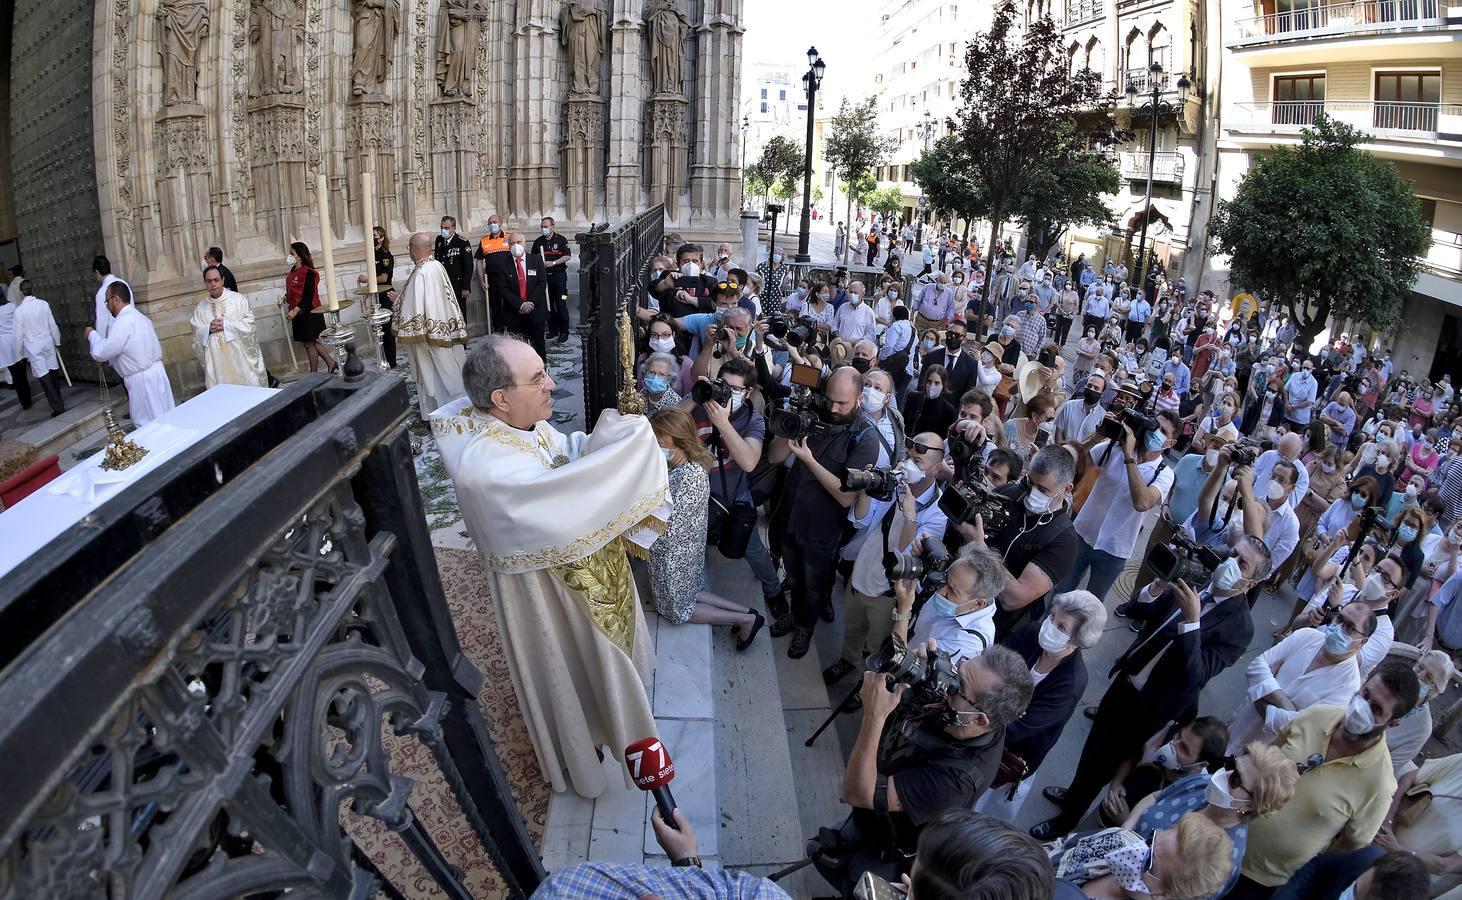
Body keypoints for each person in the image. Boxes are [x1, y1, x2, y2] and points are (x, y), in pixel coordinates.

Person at [429, 336, 666, 799]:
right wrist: (625, 458)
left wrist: (613, 435)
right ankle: (582, 753)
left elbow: (567, 453)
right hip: (549, 597)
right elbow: (562, 498)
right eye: (537, 378)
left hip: (582, 579)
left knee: (604, 669)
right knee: (569, 672)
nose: (552, 385)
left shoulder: (524, 424)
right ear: (500, 399)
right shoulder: (485, 468)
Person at [1033, 537, 1272, 839]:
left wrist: (1192, 621)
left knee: (1109, 764)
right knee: (1093, 748)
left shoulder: (1240, 628)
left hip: (1153, 707)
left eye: (1242, 564)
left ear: (1249, 584)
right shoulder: (1195, 579)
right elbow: (1138, 610)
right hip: (1127, 682)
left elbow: (1194, 675)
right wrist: (1157, 586)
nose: (1230, 564)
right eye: (1233, 554)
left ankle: (1065, 824)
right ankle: (1074, 793)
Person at [824, 647, 1034, 894]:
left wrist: (873, 715)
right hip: (870, 812)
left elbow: (858, 793)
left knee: (854, 882)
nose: (947, 684)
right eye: (957, 668)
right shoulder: (962, 713)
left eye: (958, 687)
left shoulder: (957, 780)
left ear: (979, 719)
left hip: (887, 838)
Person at [1232, 661, 1420, 898]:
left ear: (1392, 723)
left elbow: (1350, 845)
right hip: (1228, 831)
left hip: (1261, 882)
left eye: (1376, 709)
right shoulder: (1319, 715)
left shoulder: (1379, 785)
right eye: (1365, 694)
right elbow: (1265, 757)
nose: (1363, 707)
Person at [767, 367, 881, 657]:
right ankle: (796, 614)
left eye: (841, 402)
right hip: (791, 514)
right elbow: (775, 456)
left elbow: (845, 498)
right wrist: (789, 424)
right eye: (829, 399)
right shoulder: (815, 411)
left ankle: (805, 626)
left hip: (823, 528)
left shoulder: (866, 438)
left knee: (814, 585)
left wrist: (809, 459)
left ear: (858, 399)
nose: (832, 407)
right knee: (793, 577)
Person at [823, 432, 952, 686]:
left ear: (936, 468)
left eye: (919, 462)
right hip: (861, 572)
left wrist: (911, 514)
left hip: (887, 590)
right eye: (909, 457)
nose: (909, 465)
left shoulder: (939, 511)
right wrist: (868, 489)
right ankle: (847, 660)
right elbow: (860, 519)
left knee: (876, 643)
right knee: (852, 627)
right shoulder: (892, 483)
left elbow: (906, 551)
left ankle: (866, 684)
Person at [978, 591, 1105, 819]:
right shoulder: (1032, 632)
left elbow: (1020, 728)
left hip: (1012, 753)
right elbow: (991, 665)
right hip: (985, 726)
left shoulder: (1070, 683)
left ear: (1077, 643)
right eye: (1052, 617)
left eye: (1062, 627)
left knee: (987, 811)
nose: (1050, 626)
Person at [647, 408, 764, 648]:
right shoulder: (686, 463)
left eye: (659, 442)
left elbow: (669, 529)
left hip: (674, 556)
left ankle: (744, 620)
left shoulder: (688, 476)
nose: (655, 446)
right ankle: (749, 613)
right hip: (686, 551)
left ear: (678, 441)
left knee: (677, 610)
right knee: (691, 592)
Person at [1125, 743, 1301, 900]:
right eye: (1231, 765)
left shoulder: (1222, 860)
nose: (1225, 775)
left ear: (1250, 806)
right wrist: (1124, 831)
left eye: (1237, 779)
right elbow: (1157, 797)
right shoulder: (1204, 784)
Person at [1055, 411, 1179, 603]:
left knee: (1089, 604)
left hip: (1114, 549)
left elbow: (1142, 502)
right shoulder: (1114, 448)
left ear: (1170, 444)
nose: (1156, 432)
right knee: (1060, 590)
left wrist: (1129, 456)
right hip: (1082, 532)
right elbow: (1074, 462)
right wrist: (1096, 437)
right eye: (1156, 426)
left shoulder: (1164, 473)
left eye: (1163, 431)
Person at [964, 444, 1080, 639]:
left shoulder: (1063, 540)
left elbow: (1014, 598)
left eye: (1043, 490)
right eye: (1029, 482)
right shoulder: (1011, 493)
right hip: (961, 592)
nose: (1032, 493)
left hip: (993, 626)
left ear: (1066, 489)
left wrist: (980, 549)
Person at [1227, 602, 1374, 754]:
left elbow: (1297, 727)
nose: (1340, 628)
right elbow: (1257, 666)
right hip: (1238, 725)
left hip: (1263, 754)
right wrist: (1284, 703)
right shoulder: (1307, 636)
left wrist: (1259, 693)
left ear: (1363, 642)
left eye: (1350, 628)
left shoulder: (1348, 687)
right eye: (1339, 619)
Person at [1049, 811, 1234, 900]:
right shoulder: (1122, 839)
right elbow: (1062, 845)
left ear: (1163, 894)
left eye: (1149, 862)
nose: (1136, 850)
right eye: (1151, 840)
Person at [394, 232, 468, 419]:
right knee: (451, 369)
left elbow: (416, 308)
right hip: (444, 330)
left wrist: (398, 305)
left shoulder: (422, 273)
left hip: (427, 336)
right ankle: (458, 407)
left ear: (413, 249)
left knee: (432, 373)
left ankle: (439, 413)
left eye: (409, 248)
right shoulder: (437, 266)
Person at [85, 281, 176, 426]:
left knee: (150, 425)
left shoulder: (123, 322)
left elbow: (102, 351)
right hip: (155, 375)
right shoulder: (140, 317)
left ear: (116, 299)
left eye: (107, 301)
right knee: (165, 416)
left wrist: (92, 335)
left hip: (143, 381)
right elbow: (125, 349)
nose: (107, 306)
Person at [190, 266, 268, 388]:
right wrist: (208, 329)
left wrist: (227, 325)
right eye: (209, 281)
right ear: (205, 283)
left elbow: (250, 324)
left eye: (216, 280)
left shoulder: (238, 300)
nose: (213, 284)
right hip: (217, 362)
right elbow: (196, 332)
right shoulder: (200, 308)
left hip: (239, 359)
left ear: (223, 280)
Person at [1382, 650, 1453, 777]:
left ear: (1434, 691)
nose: (1419, 675)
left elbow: (1387, 768)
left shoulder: (1422, 729)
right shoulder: (1386, 681)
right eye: (1420, 667)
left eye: (1429, 677)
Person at [1272, 848, 1429, 900]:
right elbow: (1319, 866)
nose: (1351, 890)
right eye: (1356, 885)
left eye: (1357, 894)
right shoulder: (1367, 857)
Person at [9, 281, 64, 416]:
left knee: (44, 376)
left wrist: (18, 355)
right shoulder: (43, 304)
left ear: (21, 293)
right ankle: (58, 401)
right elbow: (52, 324)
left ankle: (57, 406)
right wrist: (57, 341)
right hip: (47, 342)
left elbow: (18, 336)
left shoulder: (20, 311)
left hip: (34, 346)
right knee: (52, 372)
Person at [282, 241, 334, 373]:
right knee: (309, 342)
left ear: (299, 256)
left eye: (292, 253)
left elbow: (308, 295)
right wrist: (285, 297)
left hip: (309, 311)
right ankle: (330, 364)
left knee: (311, 342)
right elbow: (294, 290)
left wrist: (295, 310)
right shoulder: (293, 270)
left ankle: (315, 372)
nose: (289, 256)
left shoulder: (309, 272)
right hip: (298, 311)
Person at [505, 234, 550, 361]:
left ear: (524, 243)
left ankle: (541, 373)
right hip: (515, 314)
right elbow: (504, 290)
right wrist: (520, 305)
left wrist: (529, 304)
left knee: (539, 347)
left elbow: (542, 283)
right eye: (512, 243)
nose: (515, 246)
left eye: (518, 242)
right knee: (518, 351)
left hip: (535, 312)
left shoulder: (536, 260)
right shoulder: (503, 265)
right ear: (508, 246)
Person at [358, 227, 397, 368]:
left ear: (381, 238)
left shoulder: (385, 254)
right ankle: (383, 357)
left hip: (385, 293)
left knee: (386, 329)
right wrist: (367, 293)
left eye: (374, 235)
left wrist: (367, 279)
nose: (372, 238)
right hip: (376, 294)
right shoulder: (373, 254)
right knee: (378, 329)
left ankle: (391, 361)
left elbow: (384, 277)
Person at [918, 318, 979, 400]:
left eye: (957, 335)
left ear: (964, 340)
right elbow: (922, 384)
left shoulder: (971, 364)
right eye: (950, 334)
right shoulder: (931, 357)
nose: (952, 337)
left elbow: (969, 394)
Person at [473, 213, 515, 330]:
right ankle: (499, 331)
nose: (492, 225)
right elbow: (479, 261)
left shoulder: (509, 237)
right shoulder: (484, 241)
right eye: (490, 223)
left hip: (509, 278)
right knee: (495, 305)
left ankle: (512, 330)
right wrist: (481, 280)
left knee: (510, 303)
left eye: (495, 222)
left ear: (500, 223)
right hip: (492, 279)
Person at [903, 364, 958, 438]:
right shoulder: (913, 397)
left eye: (937, 383)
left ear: (943, 385)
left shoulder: (948, 410)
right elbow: (903, 423)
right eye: (929, 381)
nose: (932, 385)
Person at [1052, 373, 1105, 444]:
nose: (1091, 389)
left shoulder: (1103, 417)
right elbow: (1059, 431)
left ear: (1102, 393)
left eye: (1096, 388)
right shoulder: (1069, 405)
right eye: (1089, 385)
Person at [434, 214, 475, 307]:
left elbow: (469, 266)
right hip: (443, 284)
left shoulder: (462, 242)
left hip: (458, 285)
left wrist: (466, 287)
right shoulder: (439, 240)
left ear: (454, 228)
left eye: (446, 228)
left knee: (460, 313)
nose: (443, 230)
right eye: (441, 227)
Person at [92, 254, 129, 339]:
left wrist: (100, 345)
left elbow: (102, 322)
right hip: (129, 332)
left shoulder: (102, 292)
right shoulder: (124, 284)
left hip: (114, 337)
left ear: (97, 272)